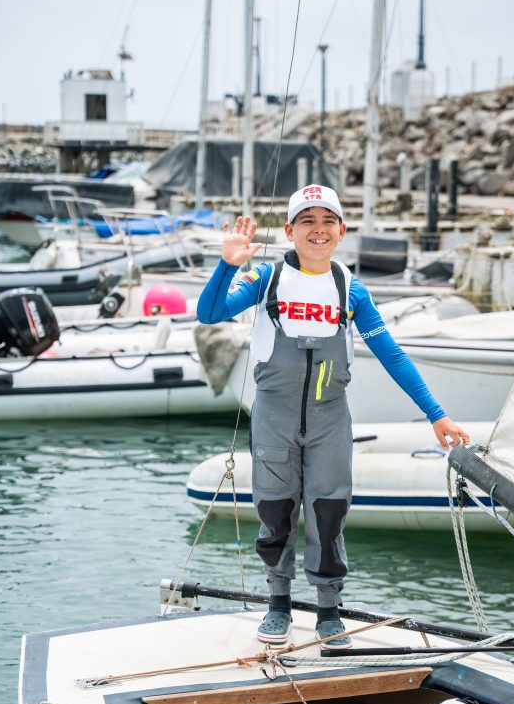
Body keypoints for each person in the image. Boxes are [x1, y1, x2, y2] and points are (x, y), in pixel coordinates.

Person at [197, 184, 469, 648]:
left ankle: (328, 610)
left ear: (341, 231)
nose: (317, 230)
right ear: (289, 230)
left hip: (330, 421)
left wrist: (436, 415)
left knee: (328, 514)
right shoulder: (265, 279)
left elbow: (393, 356)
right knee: (275, 513)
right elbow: (209, 312)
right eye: (307, 221)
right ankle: (278, 604)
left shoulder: (350, 288)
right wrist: (227, 265)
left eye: (327, 222)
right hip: (274, 419)